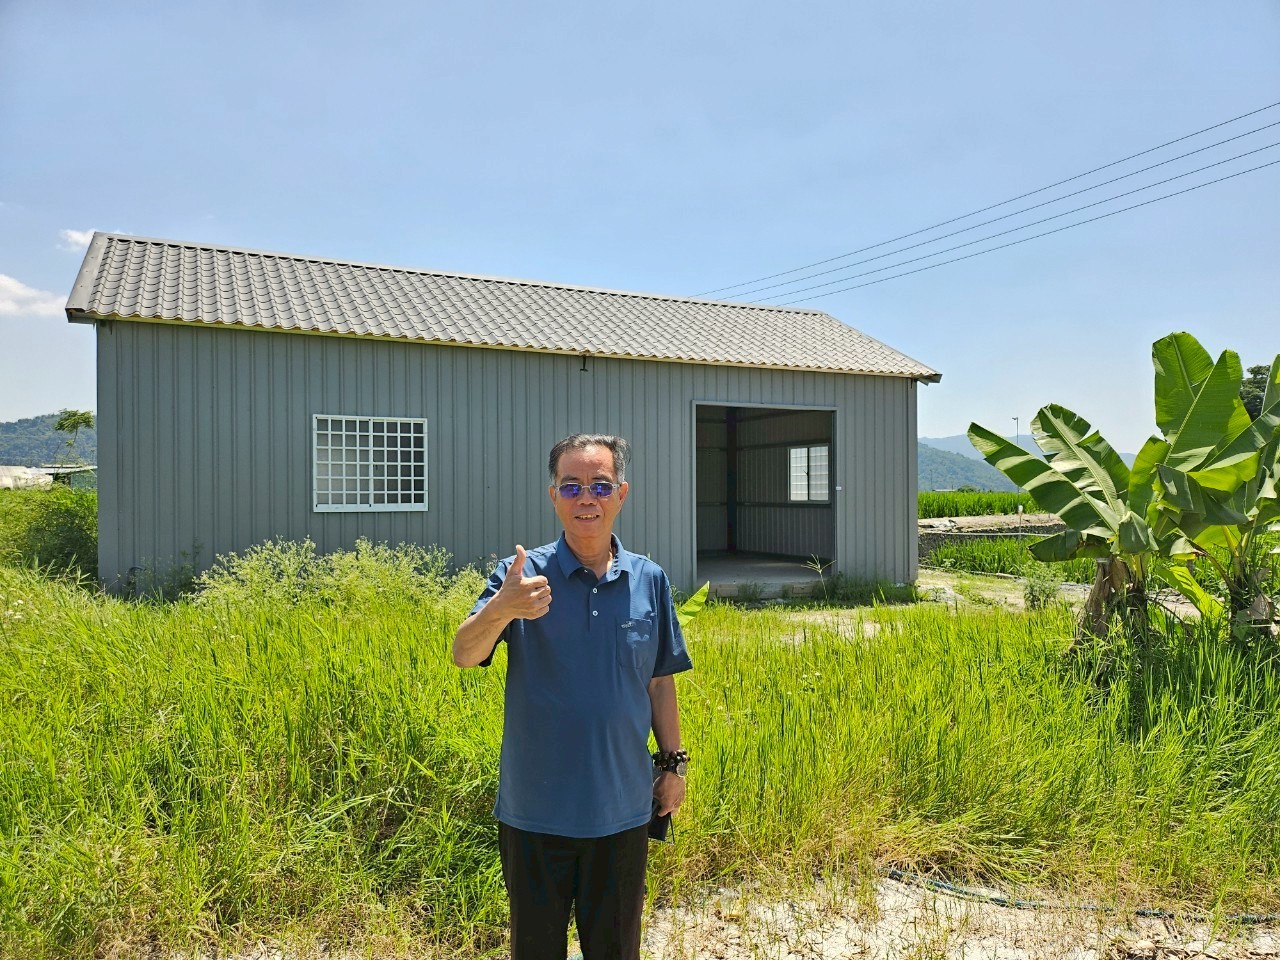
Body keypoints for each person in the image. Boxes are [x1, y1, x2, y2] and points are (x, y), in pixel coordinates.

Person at [452, 433, 693, 960]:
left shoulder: (649, 580)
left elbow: (659, 680)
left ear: (621, 494)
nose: (587, 498)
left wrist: (673, 765)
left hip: (623, 810)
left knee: (616, 950)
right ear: (553, 496)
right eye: (572, 486)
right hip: (536, 814)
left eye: (600, 485)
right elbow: (464, 653)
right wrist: (502, 608)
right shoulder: (521, 577)